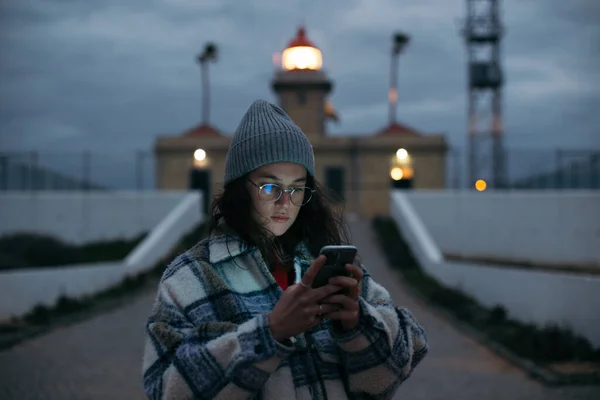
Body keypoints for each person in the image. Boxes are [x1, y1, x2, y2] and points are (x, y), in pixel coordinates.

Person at [142, 99, 428, 399]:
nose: (285, 203)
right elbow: (165, 390)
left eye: (297, 188)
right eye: (270, 187)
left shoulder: (328, 264)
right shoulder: (191, 278)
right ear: (240, 189)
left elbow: (390, 374)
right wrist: (269, 332)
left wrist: (358, 324)